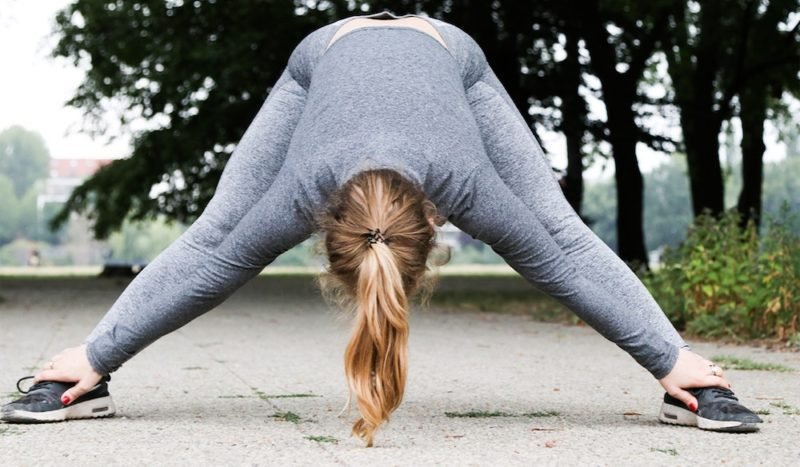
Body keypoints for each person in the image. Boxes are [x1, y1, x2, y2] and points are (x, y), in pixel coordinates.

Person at [1, 12, 761, 445]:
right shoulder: (308, 181)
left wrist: (671, 358)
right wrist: (96, 355)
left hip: (448, 56)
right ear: (434, 227)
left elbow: (563, 248)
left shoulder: (461, 174)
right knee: (221, 227)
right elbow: (207, 256)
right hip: (319, 62)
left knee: (551, 224)